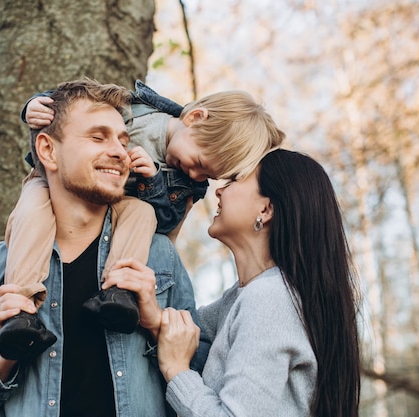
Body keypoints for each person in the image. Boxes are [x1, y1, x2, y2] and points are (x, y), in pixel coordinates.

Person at [0, 78, 204, 417]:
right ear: (47, 150)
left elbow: (202, 381)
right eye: (97, 136)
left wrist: (155, 324)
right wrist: (4, 358)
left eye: (123, 139)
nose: (120, 150)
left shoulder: (159, 259)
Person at [0, 80, 286, 357]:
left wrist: (153, 183)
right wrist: (33, 106)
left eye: (208, 176)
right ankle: (20, 308)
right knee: (33, 207)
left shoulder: (187, 184)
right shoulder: (134, 109)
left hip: (116, 210)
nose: (197, 176)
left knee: (142, 212)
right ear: (195, 118)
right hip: (51, 185)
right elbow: (72, 105)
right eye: (199, 163)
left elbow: (166, 225)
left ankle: (118, 291)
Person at [108, 149, 362, 416]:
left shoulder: (269, 298)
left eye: (235, 182)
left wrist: (177, 371)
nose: (219, 191)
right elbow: (191, 337)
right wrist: (156, 320)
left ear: (265, 209)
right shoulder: (243, 296)